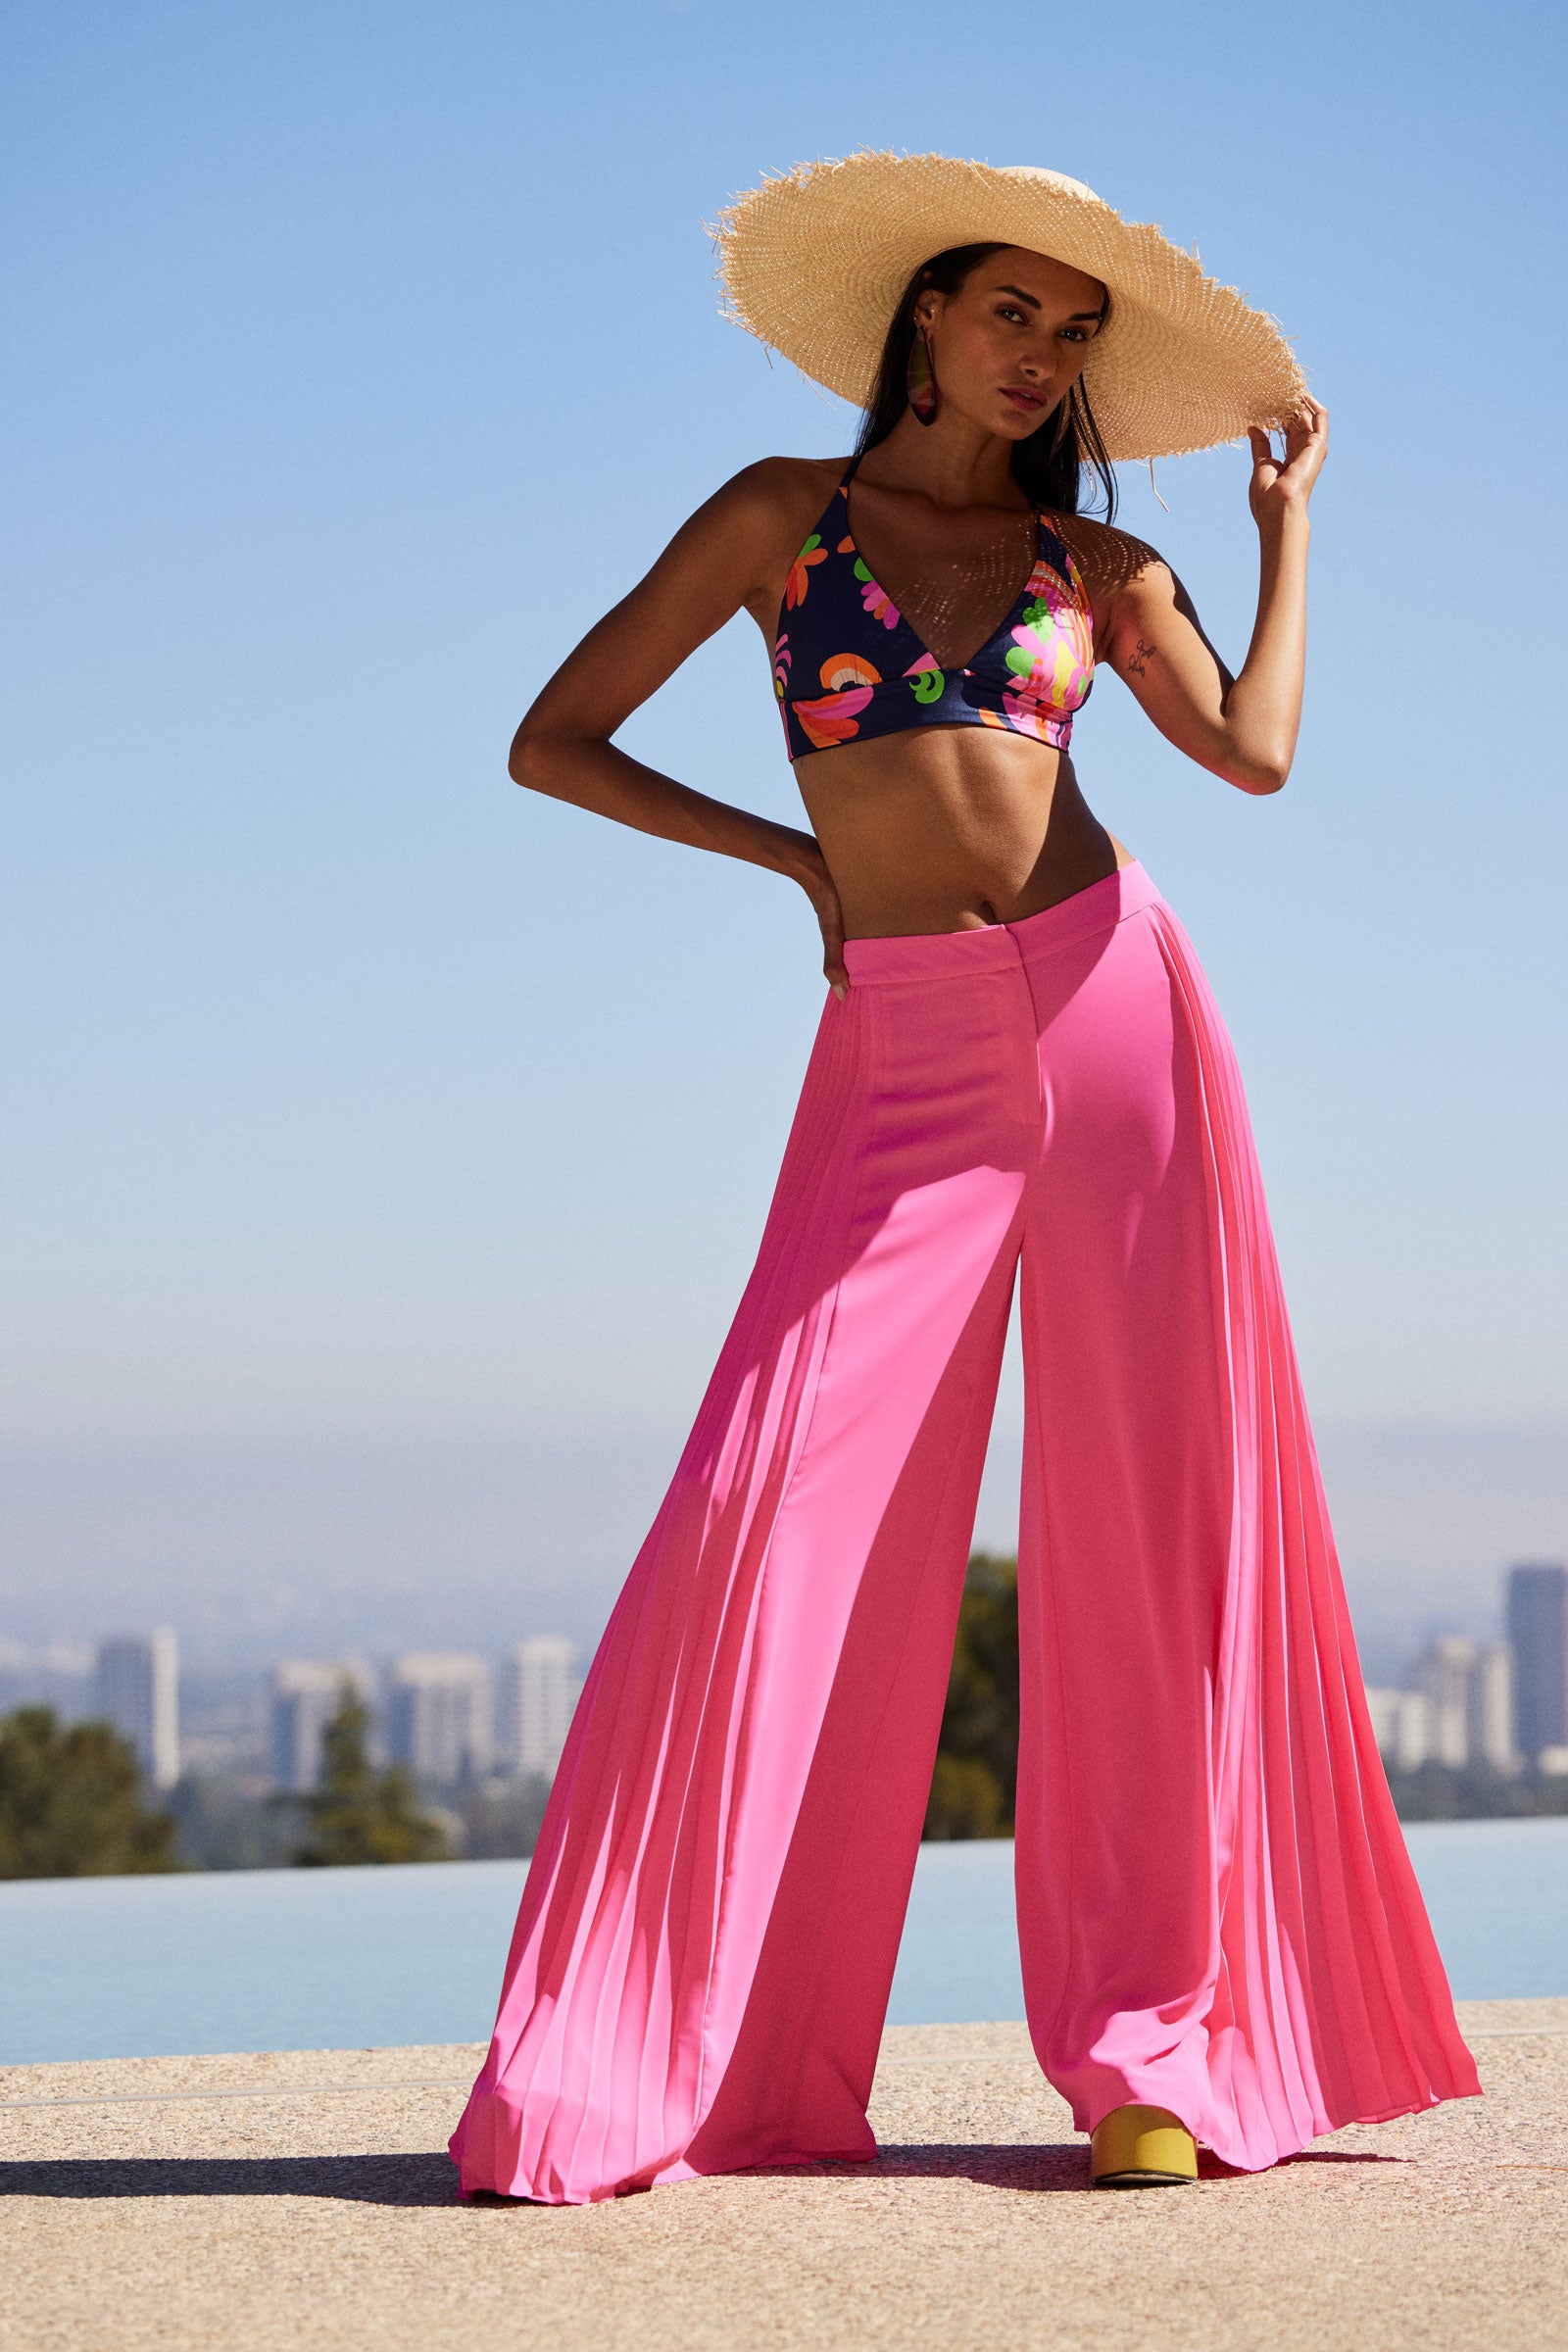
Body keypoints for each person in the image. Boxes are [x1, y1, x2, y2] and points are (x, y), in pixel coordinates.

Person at [450, 153, 1479, 2204]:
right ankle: (658, 2056)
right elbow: (552, 739)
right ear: (922, 314)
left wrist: (1280, 545)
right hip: (902, 1046)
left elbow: (1252, 759)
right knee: (760, 1505)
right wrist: (796, 866)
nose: (1041, 355)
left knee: (1155, 1530)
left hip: (1118, 1017)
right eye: (1013, 312)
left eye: (1071, 331)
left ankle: (1154, 2052)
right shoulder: (776, 518)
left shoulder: (1094, 568)